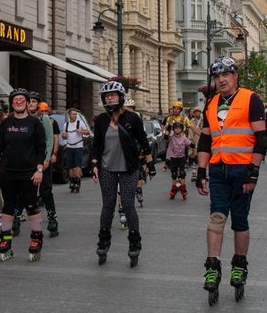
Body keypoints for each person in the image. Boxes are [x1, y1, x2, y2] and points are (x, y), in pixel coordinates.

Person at [196, 57, 267, 304]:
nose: (221, 80)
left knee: (239, 220)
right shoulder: (211, 103)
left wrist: (253, 171)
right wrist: (201, 172)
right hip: (218, 169)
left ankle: (239, 265)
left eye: (225, 75)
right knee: (216, 216)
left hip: (242, 170)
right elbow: (206, 139)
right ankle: (213, 266)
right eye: (217, 76)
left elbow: (261, 138)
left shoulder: (251, 99)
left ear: (235, 76)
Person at [91, 81, 154, 267]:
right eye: (107, 95)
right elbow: (96, 145)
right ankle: (103, 241)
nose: (110, 98)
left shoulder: (132, 118)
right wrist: (94, 165)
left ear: (120, 97)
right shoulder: (101, 120)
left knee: (127, 205)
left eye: (113, 94)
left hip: (129, 168)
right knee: (108, 205)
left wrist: (150, 165)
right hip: (107, 168)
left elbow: (144, 141)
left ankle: (134, 242)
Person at [0, 90, 46, 262]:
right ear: (12, 103)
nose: (19, 102)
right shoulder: (5, 124)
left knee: (31, 206)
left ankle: (36, 238)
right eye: (15, 100)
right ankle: (5, 240)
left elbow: (41, 149)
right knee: (8, 206)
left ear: (27, 103)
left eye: (22, 99)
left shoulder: (35, 123)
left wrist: (39, 170)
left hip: (29, 173)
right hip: (7, 172)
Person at [28, 93, 59, 237]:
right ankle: (18, 218)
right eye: (29, 101)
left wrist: (47, 159)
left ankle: (52, 219)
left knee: (45, 191)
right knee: (26, 191)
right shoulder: (23, 118)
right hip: (28, 161)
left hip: (42, 160)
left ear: (38, 104)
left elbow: (49, 139)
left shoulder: (44, 118)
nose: (31, 103)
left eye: (34, 101)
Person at [62, 108, 90, 194]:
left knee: (77, 166)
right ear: (69, 115)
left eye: (76, 114)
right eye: (73, 114)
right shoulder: (66, 125)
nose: (75, 116)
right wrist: (64, 135)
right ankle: (72, 181)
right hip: (69, 147)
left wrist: (81, 131)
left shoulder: (80, 123)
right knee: (70, 166)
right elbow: (63, 136)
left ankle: (77, 182)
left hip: (78, 147)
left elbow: (88, 132)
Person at [164, 121, 192, 199]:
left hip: (181, 158)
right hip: (173, 159)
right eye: (175, 128)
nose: (177, 130)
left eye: (179, 128)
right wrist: (169, 127)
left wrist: (196, 146)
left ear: (182, 129)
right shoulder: (171, 137)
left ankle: (183, 190)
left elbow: (190, 144)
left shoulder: (183, 138)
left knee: (182, 174)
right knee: (174, 174)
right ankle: (174, 190)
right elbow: (166, 136)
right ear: (173, 129)